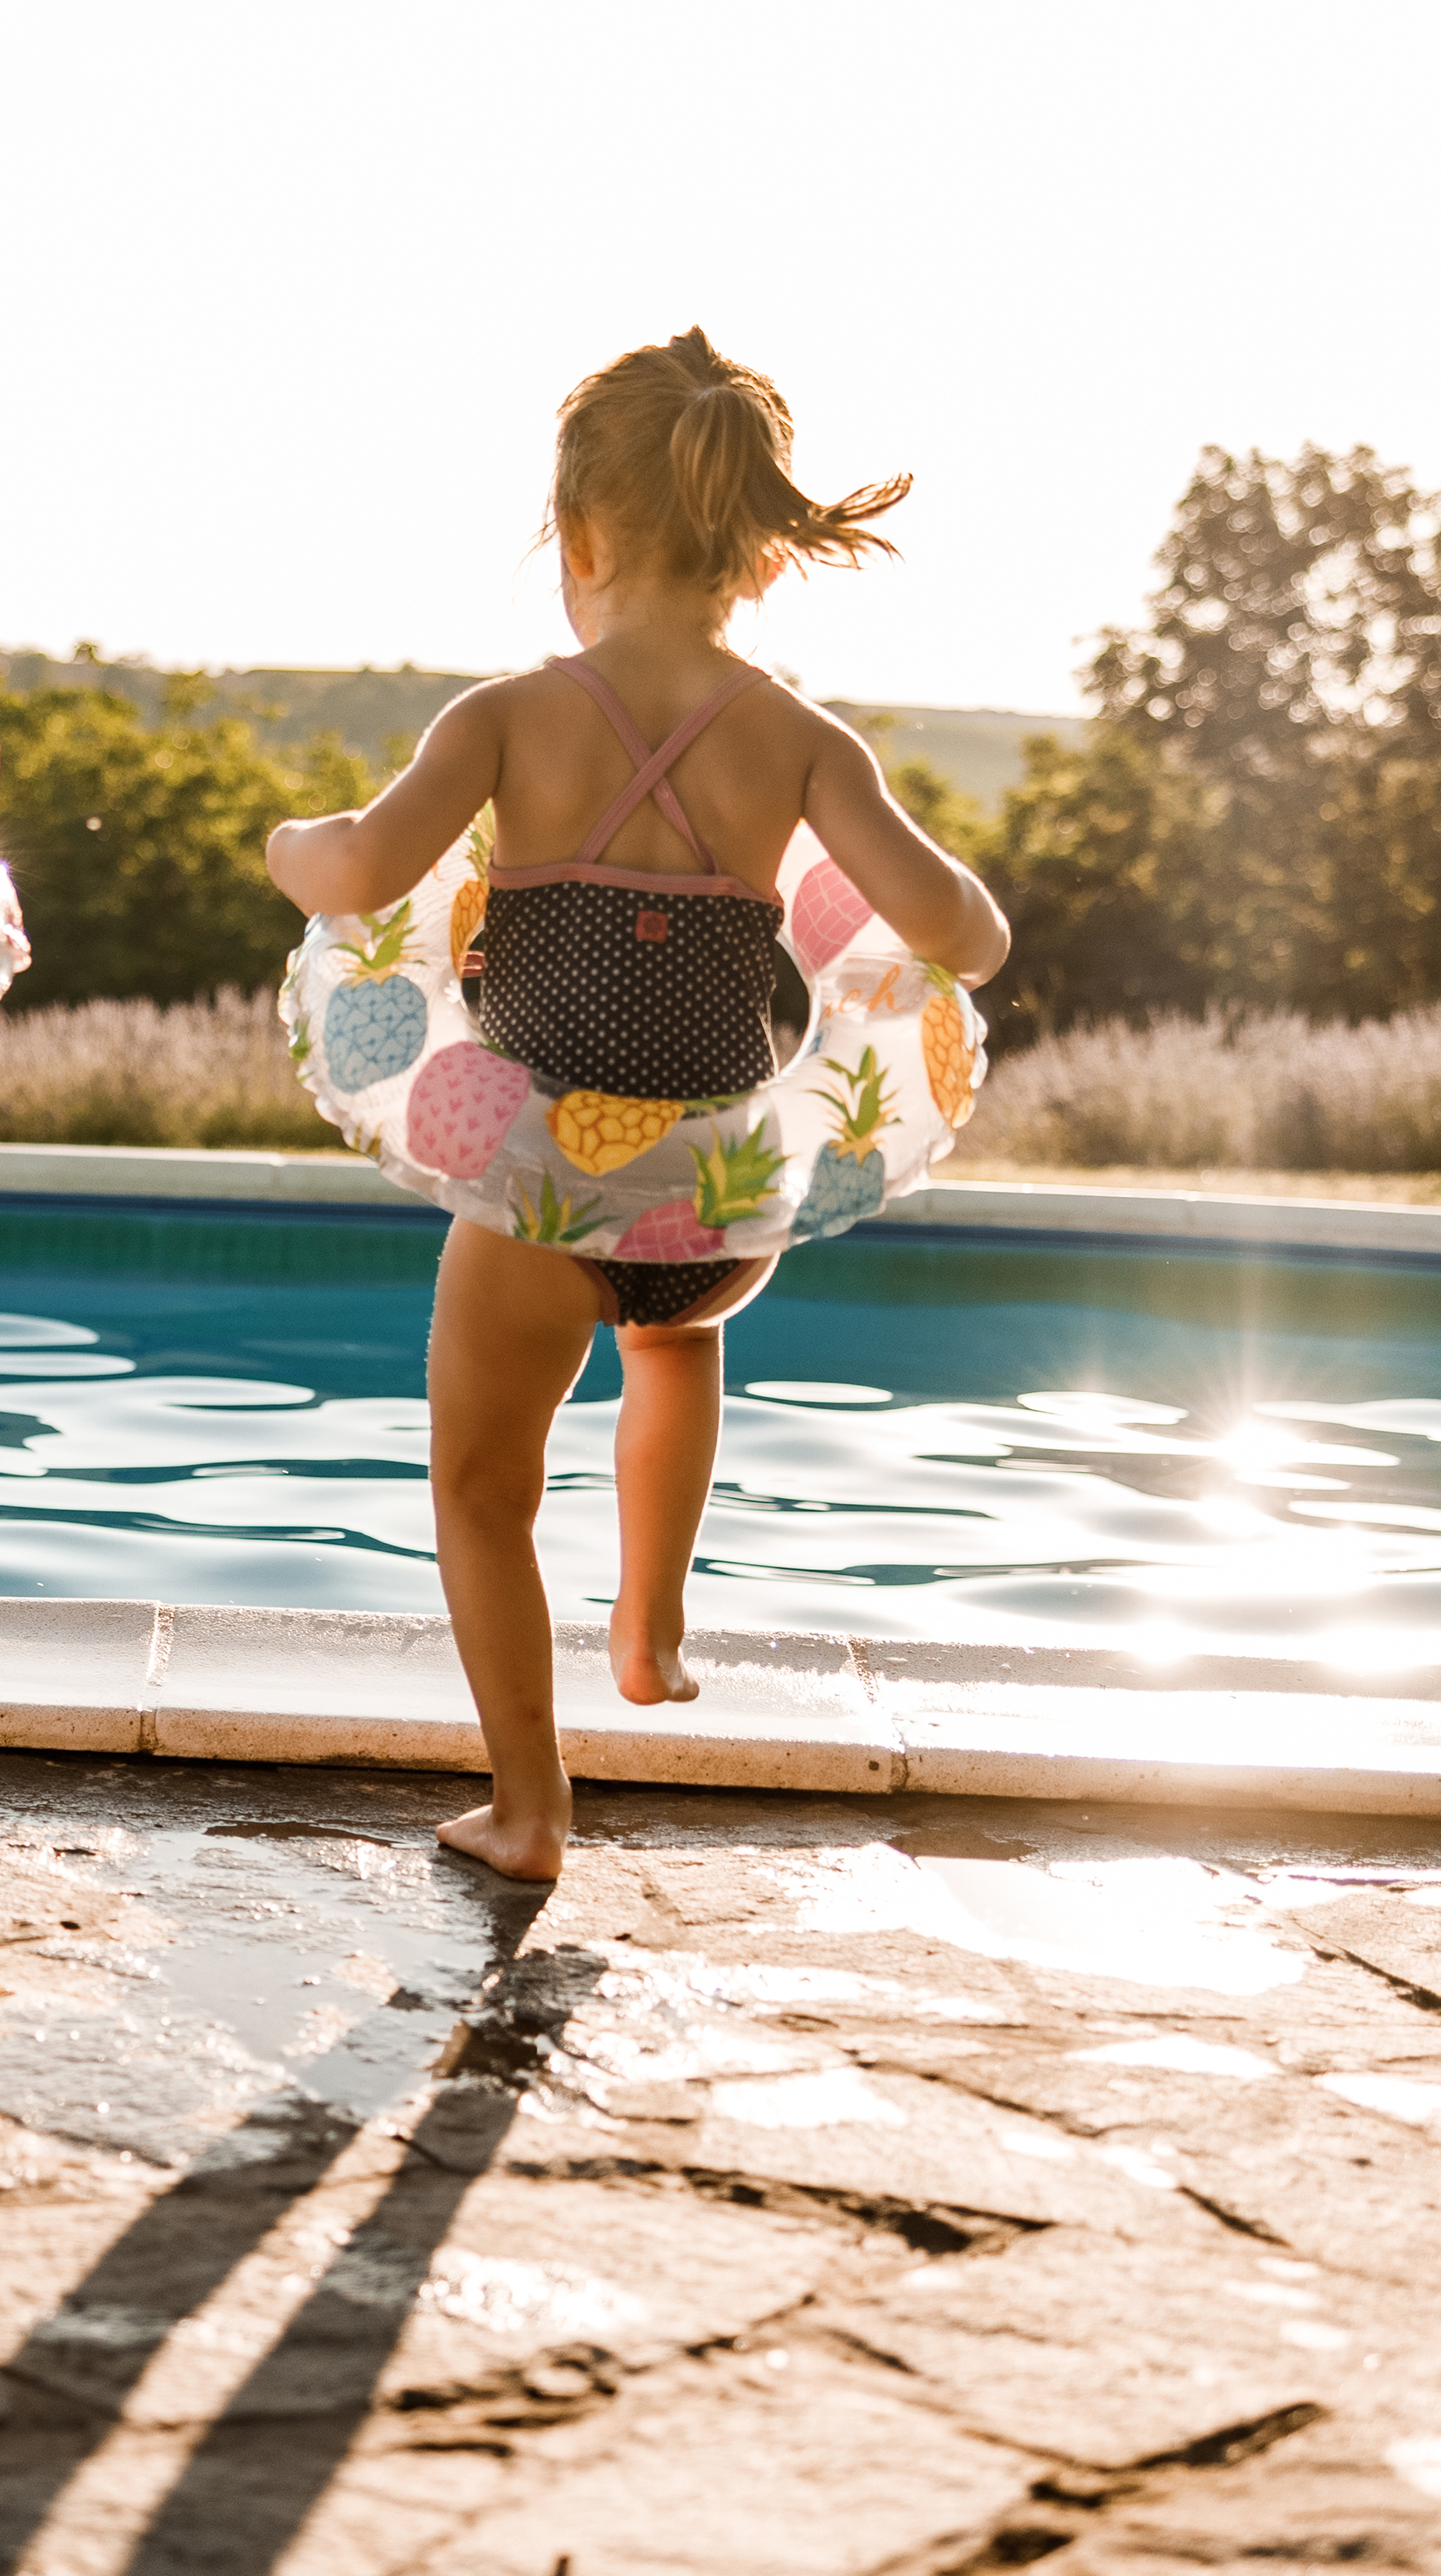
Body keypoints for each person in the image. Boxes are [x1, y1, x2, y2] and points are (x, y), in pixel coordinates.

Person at [265, 329, 1009, 1884]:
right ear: (756, 557)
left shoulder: (501, 719)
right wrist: (943, 915)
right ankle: (654, 1620)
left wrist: (294, 842)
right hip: (718, 1204)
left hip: (542, 1190)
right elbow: (967, 938)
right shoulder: (805, 741)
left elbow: (358, 876)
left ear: (582, 538)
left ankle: (531, 1812)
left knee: (481, 1488)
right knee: (675, 1347)